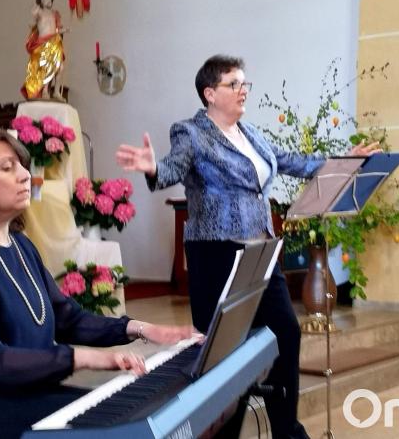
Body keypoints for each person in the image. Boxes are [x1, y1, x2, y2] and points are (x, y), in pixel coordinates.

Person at [115, 54, 380, 438]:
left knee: (286, 332)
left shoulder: (250, 133)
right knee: (223, 350)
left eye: (245, 84)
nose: (243, 91)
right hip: (217, 254)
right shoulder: (190, 132)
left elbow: (291, 161)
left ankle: (287, 429)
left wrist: (343, 161)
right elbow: (173, 168)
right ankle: (222, 430)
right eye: (234, 84)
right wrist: (154, 169)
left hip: (259, 251)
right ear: (210, 93)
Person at [0, 127, 196, 439]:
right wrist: (89, 358)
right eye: (7, 168)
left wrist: (140, 329)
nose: (25, 175)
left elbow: (67, 318)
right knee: (108, 427)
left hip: (12, 393)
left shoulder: (20, 246)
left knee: (130, 416)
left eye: (23, 165)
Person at [22, 0, 68, 101]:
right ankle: (45, 91)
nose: (47, 0)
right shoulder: (39, 12)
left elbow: (56, 29)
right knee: (47, 67)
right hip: (44, 42)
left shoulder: (54, 13)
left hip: (55, 41)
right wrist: (37, 4)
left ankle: (56, 92)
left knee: (60, 68)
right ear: (41, 2)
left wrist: (63, 31)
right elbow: (33, 15)